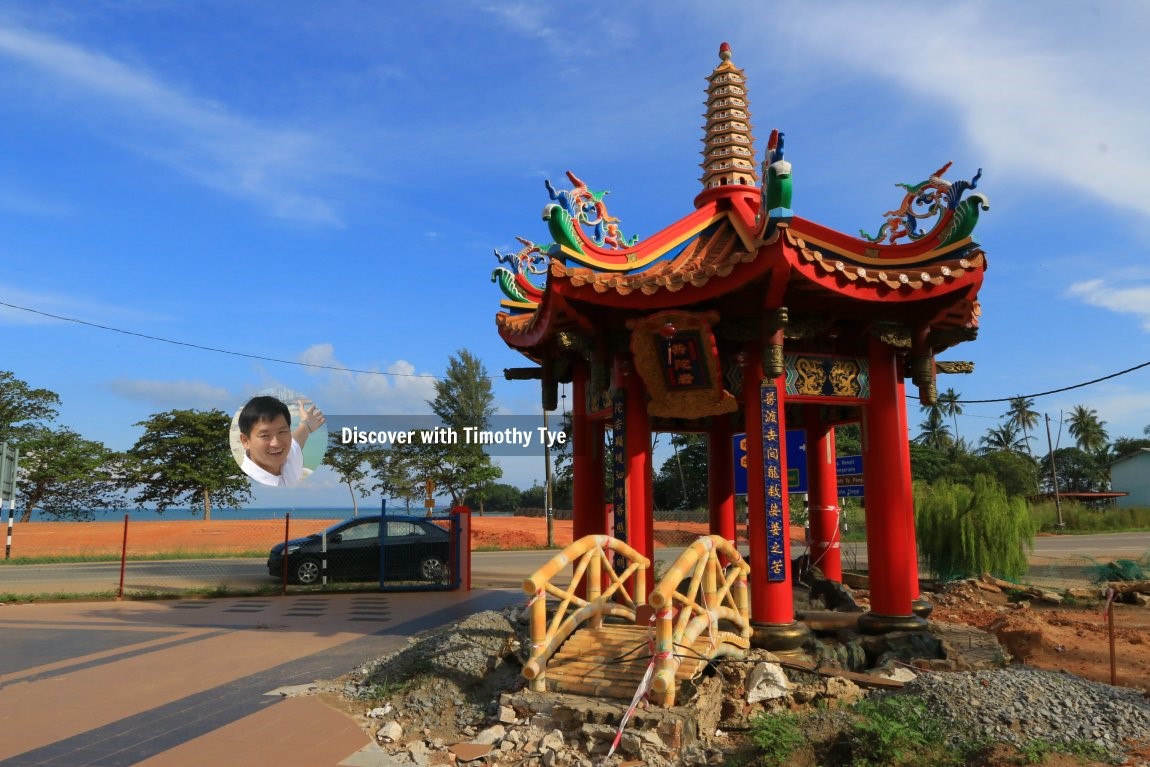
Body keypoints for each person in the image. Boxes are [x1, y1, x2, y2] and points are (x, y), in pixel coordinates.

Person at [237, 395, 325, 487]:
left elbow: (297, 440)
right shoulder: (244, 486)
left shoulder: (289, 456)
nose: (276, 443)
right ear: (245, 441)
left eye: (282, 432)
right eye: (265, 435)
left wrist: (307, 425)